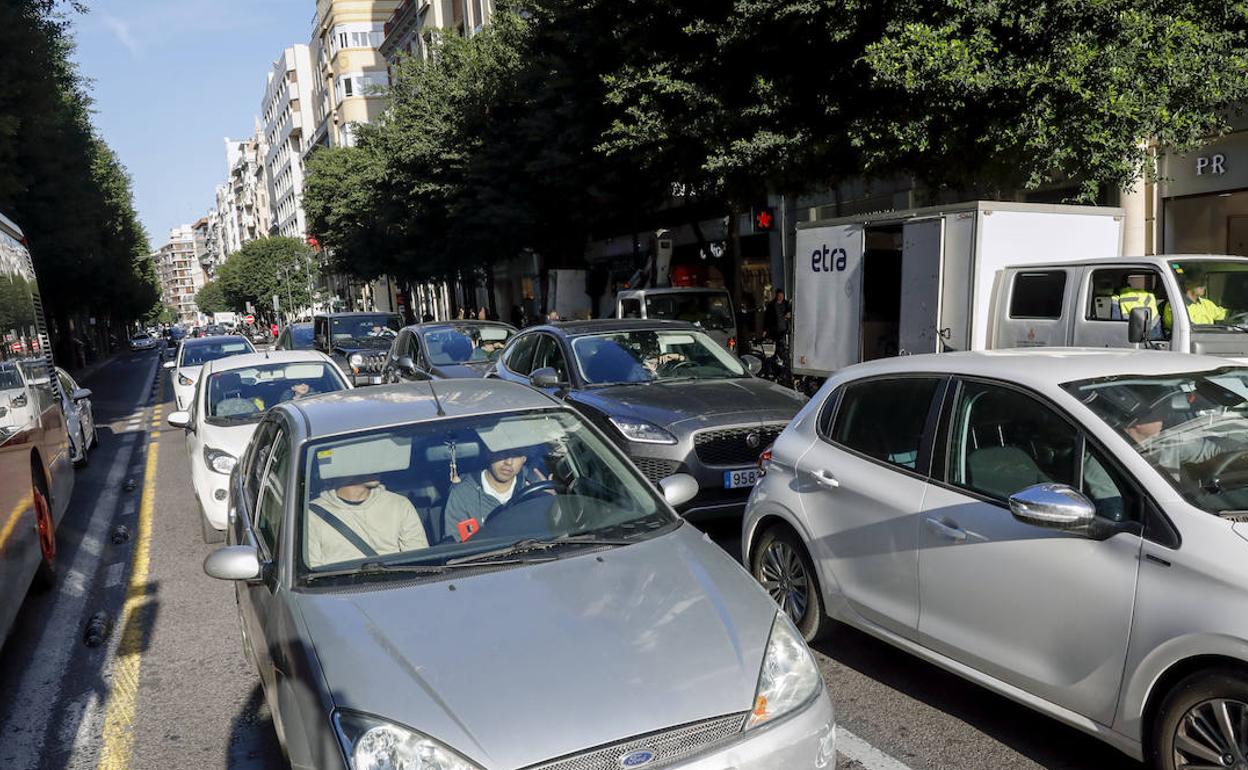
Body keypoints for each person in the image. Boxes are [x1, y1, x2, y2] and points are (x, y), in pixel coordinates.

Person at [305, 475, 429, 567]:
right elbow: (312, 571)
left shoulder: (399, 504)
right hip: (341, 594)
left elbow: (419, 562)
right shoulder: (312, 515)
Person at [444, 451, 547, 542]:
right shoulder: (463, 495)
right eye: (502, 452)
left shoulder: (535, 488)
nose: (509, 462)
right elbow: (459, 548)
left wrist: (552, 501)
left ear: (524, 459)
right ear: (489, 453)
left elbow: (552, 533)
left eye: (517, 454)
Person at [1164, 271, 1229, 329]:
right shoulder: (1174, 304)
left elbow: (1225, 315)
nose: (1204, 285)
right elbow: (1180, 326)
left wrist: (1235, 314)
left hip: (1211, 339)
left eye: (1204, 281)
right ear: (1188, 283)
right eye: (1200, 282)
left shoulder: (1206, 303)